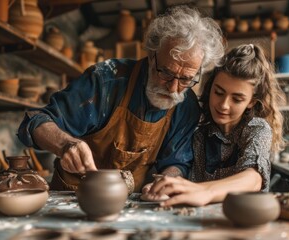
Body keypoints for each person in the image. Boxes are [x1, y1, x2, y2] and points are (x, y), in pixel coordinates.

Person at [17, 5, 225, 192]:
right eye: (166, 73)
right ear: (152, 54)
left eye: (186, 79)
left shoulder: (186, 106)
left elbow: (177, 162)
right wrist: (65, 144)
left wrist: (166, 181)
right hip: (74, 198)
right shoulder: (106, 80)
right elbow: (35, 122)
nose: (173, 87)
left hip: (134, 203)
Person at [146, 44, 286, 206]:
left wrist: (205, 191)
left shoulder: (257, 129)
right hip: (196, 218)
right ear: (210, 87)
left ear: (251, 102)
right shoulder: (197, 126)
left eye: (237, 99)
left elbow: (252, 179)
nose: (224, 105)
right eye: (218, 92)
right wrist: (165, 183)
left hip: (240, 217)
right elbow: (178, 164)